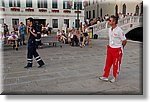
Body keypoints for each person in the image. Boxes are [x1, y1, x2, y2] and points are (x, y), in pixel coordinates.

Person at [99, 15, 127, 83]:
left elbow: (124, 41)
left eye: (110, 20)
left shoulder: (119, 30)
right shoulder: (109, 29)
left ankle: (114, 77)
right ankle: (105, 76)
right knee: (108, 63)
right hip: (110, 48)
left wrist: (121, 47)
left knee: (116, 64)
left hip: (117, 50)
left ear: (114, 22)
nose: (108, 21)